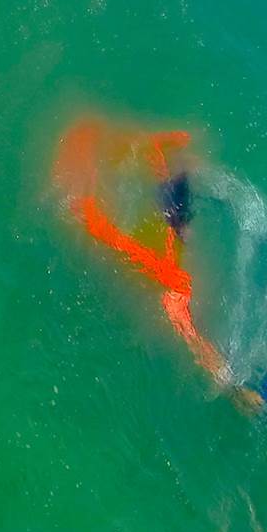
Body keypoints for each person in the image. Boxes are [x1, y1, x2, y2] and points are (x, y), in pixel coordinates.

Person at [56, 120, 226, 378]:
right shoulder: (174, 286)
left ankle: (163, 153)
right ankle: (163, 153)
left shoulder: (174, 284)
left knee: (170, 216)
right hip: (168, 259)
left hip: (168, 258)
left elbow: (192, 337)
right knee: (170, 215)